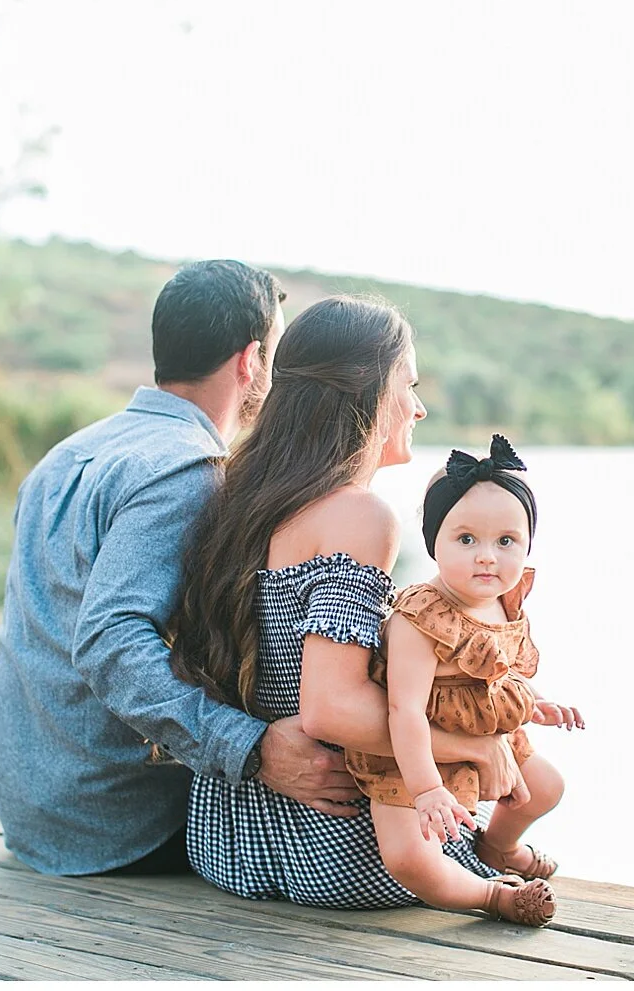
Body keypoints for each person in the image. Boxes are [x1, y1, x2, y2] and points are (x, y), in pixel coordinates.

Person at [0, 260, 365, 876]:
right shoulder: (186, 470)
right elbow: (111, 644)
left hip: (26, 803)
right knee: (349, 820)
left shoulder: (68, 454)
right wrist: (255, 750)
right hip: (116, 821)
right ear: (251, 361)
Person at [170, 294, 528, 910]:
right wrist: (470, 745)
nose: (418, 407)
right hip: (325, 843)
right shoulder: (360, 517)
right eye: (407, 385)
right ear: (366, 395)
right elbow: (331, 709)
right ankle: (497, 857)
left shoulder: (245, 494)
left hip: (228, 838)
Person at [345, 434, 585, 927]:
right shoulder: (420, 616)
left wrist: (536, 703)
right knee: (409, 858)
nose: (487, 558)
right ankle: (492, 896)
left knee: (545, 787)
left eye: (506, 542)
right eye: (466, 539)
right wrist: (427, 787)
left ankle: (498, 846)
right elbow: (403, 710)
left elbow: (503, 667)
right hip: (415, 754)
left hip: (486, 725)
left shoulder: (505, 597)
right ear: (434, 540)